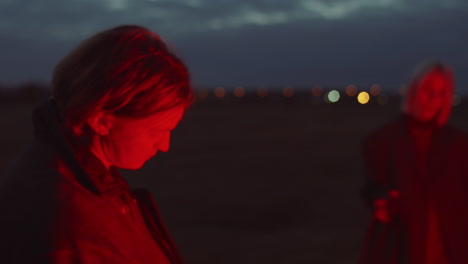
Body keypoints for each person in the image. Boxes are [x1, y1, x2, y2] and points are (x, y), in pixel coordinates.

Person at [0, 25, 193, 263]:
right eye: (156, 131)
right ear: (101, 120)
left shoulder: (86, 181)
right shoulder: (64, 224)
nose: (165, 146)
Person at [359, 61, 468, 264]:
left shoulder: (458, 144)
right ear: (414, 89)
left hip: (450, 249)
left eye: (440, 93)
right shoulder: (382, 140)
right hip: (402, 246)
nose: (433, 99)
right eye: (428, 90)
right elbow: (372, 187)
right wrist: (383, 200)